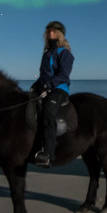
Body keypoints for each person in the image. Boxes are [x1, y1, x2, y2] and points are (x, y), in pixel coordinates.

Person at [31, 21, 74, 168]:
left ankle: (48, 153)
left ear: (60, 34)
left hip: (59, 89)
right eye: (49, 31)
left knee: (48, 112)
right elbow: (44, 75)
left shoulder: (65, 53)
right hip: (45, 87)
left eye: (54, 31)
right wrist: (35, 86)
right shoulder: (47, 53)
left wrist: (48, 85)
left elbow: (63, 74)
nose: (51, 34)